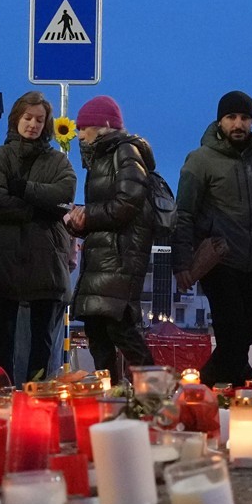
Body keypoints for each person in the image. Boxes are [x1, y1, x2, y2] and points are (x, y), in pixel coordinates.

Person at [173, 91, 252, 386]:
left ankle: (235, 389)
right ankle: (205, 391)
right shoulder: (200, 160)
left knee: (248, 332)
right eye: (231, 117)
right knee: (232, 334)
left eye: (244, 117)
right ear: (220, 121)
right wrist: (182, 262)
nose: (238, 124)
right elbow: (184, 212)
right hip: (219, 259)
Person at [0, 90, 77, 382]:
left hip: (46, 261)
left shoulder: (58, 162)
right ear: (16, 118)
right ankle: (2, 392)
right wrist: (37, 210)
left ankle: (37, 395)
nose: (33, 124)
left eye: (39, 119)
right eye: (27, 118)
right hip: (4, 258)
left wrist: (21, 188)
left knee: (42, 340)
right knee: (3, 337)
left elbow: (63, 198)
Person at [66, 95, 156, 383]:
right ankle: (110, 395)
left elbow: (128, 202)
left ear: (102, 126)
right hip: (104, 258)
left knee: (119, 328)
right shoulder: (103, 157)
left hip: (119, 257)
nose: (79, 134)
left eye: (84, 127)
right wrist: (79, 222)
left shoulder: (125, 152)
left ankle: (156, 390)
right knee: (97, 329)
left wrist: (87, 215)